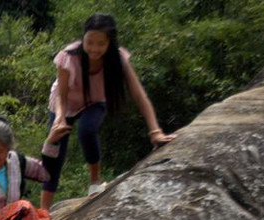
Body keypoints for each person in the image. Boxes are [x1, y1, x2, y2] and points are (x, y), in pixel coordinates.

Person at [40, 13, 176, 209]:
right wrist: (59, 118)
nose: (94, 48)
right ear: (83, 38)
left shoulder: (118, 59)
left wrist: (155, 132)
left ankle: (95, 181)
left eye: (101, 44)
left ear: (109, 42)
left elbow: (139, 96)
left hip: (94, 101)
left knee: (87, 129)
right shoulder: (69, 56)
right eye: (89, 42)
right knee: (54, 152)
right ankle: (44, 211)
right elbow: (62, 94)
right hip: (64, 103)